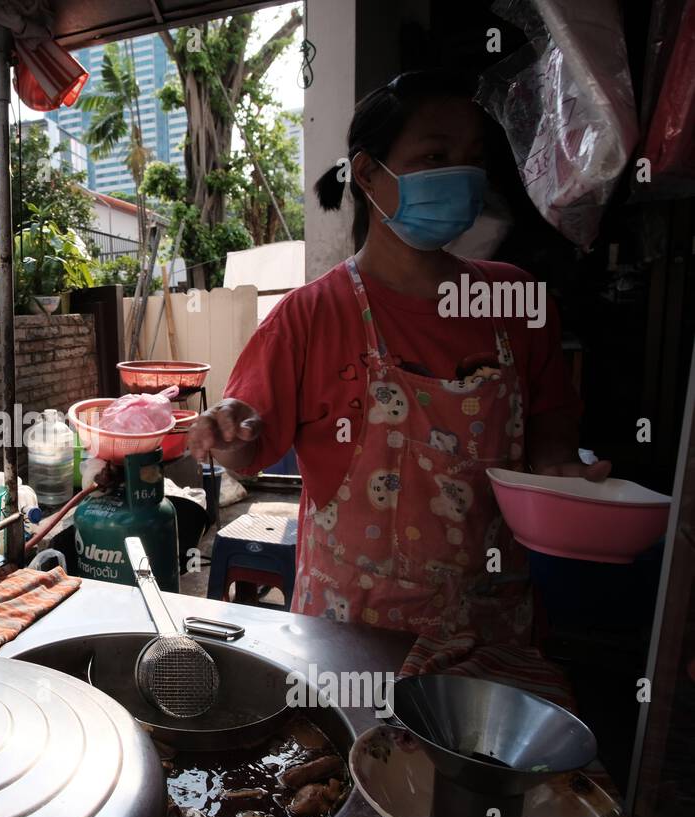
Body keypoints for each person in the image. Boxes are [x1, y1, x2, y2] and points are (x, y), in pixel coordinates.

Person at [187, 70, 607, 708]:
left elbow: (552, 431)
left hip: (490, 638)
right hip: (352, 642)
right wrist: (230, 431)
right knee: (352, 789)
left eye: (473, 161)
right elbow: (252, 444)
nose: (461, 176)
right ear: (367, 173)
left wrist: (561, 478)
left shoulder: (515, 302)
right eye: (435, 157)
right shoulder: (311, 317)